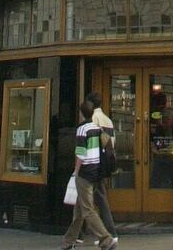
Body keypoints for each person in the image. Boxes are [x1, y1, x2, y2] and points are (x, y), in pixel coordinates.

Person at [62, 101, 116, 250]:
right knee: (79, 210)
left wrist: (76, 171)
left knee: (87, 210)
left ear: (81, 113)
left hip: (85, 172)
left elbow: (80, 153)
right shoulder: (97, 129)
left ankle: (106, 239)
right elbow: (107, 147)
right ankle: (69, 241)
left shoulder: (82, 129)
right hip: (97, 172)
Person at [86, 91, 118, 245]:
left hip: (93, 164)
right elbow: (112, 143)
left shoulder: (92, 119)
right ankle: (77, 235)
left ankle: (110, 233)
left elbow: (90, 142)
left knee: (94, 198)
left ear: (91, 104)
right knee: (90, 199)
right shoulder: (108, 120)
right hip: (104, 164)